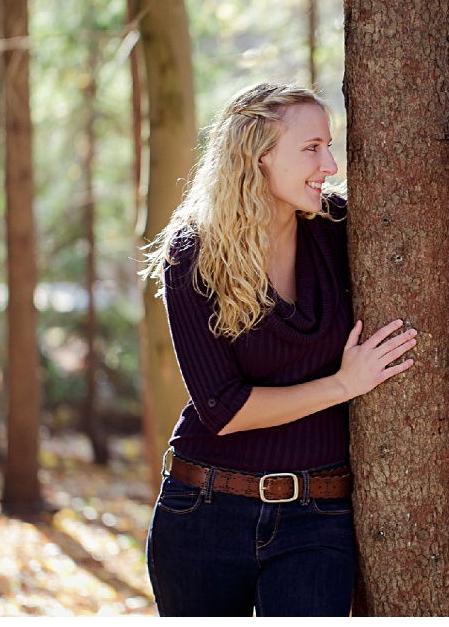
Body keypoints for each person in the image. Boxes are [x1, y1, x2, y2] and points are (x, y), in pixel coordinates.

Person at [140, 83, 416, 616]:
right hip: (204, 509)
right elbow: (222, 407)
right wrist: (342, 385)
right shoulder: (194, 252)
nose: (331, 164)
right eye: (312, 148)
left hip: (318, 517)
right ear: (258, 156)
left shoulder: (340, 230)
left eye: (329, 146)